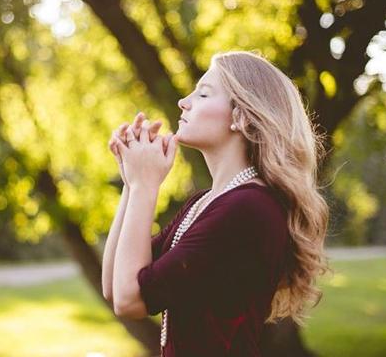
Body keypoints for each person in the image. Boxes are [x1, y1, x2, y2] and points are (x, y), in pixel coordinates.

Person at [101, 50, 331, 356]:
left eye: (204, 93)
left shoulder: (248, 208)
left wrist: (146, 185)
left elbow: (131, 300)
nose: (184, 101)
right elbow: (114, 286)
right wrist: (132, 183)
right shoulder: (207, 202)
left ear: (241, 116)